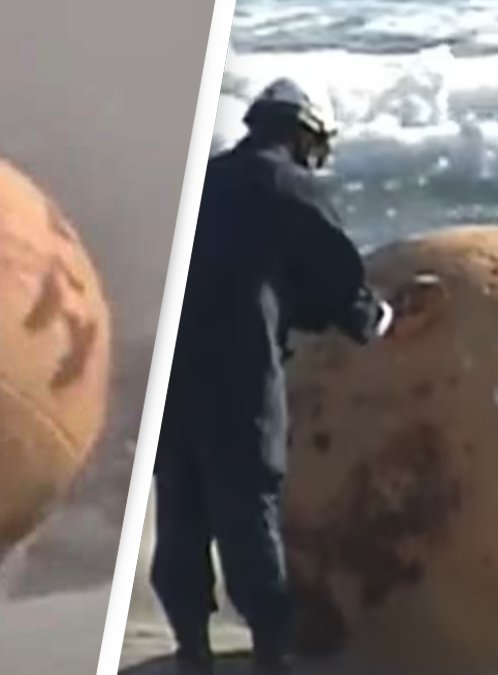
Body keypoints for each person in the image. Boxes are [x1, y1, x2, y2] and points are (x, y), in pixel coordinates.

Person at [150, 78, 394, 674]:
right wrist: (376, 318)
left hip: (172, 378)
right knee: (247, 516)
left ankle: (192, 653)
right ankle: (269, 656)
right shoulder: (293, 189)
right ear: (303, 133)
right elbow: (337, 282)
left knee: (181, 515)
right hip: (240, 379)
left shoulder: (202, 181)